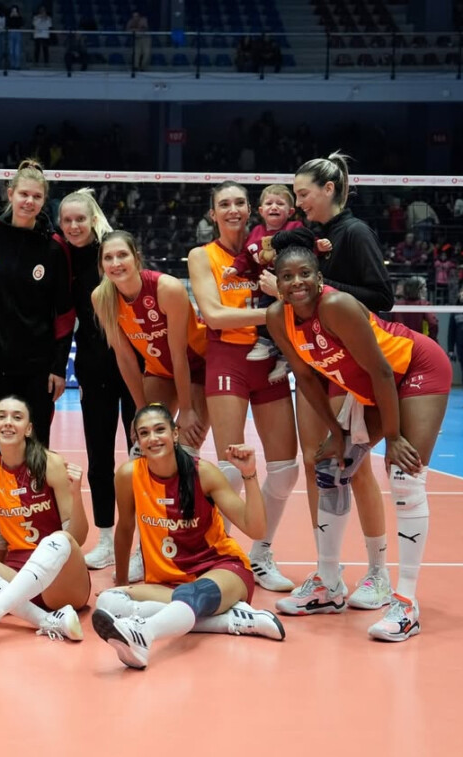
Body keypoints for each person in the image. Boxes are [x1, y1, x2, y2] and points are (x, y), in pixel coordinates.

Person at [267, 247, 450, 640]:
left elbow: (382, 371)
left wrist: (394, 437)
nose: (297, 282)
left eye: (305, 273)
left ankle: (406, 603)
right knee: (330, 468)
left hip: (414, 369)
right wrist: (336, 433)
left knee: (404, 475)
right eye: (287, 276)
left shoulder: (337, 307)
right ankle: (328, 585)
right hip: (370, 386)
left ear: (319, 278)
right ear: (277, 285)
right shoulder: (277, 317)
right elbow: (306, 378)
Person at [275, 152, 397, 613]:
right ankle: (327, 575)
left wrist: (318, 289)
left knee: (355, 466)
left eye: (303, 193)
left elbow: (382, 296)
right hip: (315, 360)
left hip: (349, 363)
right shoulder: (312, 234)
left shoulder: (355, 232)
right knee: (318, 462)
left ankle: (378, 573)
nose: (298, 202)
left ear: (329, 189)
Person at [91, 404, 286, 670]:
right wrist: (122, 584)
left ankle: (144, 634)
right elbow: (125, 529)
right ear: (137, 440)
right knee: (108, 602)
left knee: (190, 595)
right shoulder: (129, 475)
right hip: (167, 582)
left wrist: (249, 474)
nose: (153, 438)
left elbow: (256, 529)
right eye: (144, 433)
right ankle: (234, 620)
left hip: (221, 571)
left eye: (160, 430)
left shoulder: (203, 473)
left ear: (175, 434)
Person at [186, 181, 300, 593]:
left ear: (250, 209)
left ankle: (261, 553)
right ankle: (220, 553)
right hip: (227, 361)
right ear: (212, 213)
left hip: (270, 360)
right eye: (224, 204)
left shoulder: (273, 247)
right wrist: (276, 312)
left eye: (239, 203)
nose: (232, 209)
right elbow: (214, 316)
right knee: (230, 470)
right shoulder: (202, 256)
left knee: (286, 471)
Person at [91, 229, 209, 580]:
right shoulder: (102, 297)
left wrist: (187, 409)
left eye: (122, 255)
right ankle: (146, 551)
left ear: (137, 258)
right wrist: (142, 414)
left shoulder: (166, 288)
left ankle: (190, 548)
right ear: (101, 265)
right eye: (108, 258)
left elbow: (180, 354)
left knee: (185, 450)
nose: (116, 263)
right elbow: (126, 358)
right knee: (141, 455)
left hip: (200, 367)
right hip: (158, 370)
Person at [0, 395, 90, 649]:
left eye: (17, 417)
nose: (8, 422)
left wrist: (76, 495)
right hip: (18, 578)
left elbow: (75, 539)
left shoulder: (50, 463)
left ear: (29, 428)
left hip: (61, 581)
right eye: (1, 416)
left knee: (59, 539)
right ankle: (47, 620)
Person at [0, 159, 74, 461]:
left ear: (44, 200)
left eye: (36, 196)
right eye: (24, 194)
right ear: (10, 194)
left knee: (36, 445)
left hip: (37, 365)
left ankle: (36, 494)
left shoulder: (55, 247)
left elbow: (65, 313)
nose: (29, 201)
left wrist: (58, 367)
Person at [57, 192, 137, 573]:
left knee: (142, 455)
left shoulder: (113, 252)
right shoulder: (62, 257)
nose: (74, 226)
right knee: (99, 457)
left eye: (80, 219)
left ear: (93, 219)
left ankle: (146, 542)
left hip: (133, 363)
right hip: (93, 367)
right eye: (67, 220)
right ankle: (106, 540)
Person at [223, 184, 330, 381]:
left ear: (290, 211)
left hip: (293, 286)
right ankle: (266, 342)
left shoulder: (295, 228)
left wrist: (319, 246)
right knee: (267, 314)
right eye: (269, 203)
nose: (274, 207)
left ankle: (286, 356)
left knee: (294, 319)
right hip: (267, 284)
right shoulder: (255, 232)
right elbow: (246, 256)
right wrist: (235, 268)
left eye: (280, 204)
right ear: (261, 210)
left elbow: (309, 244)